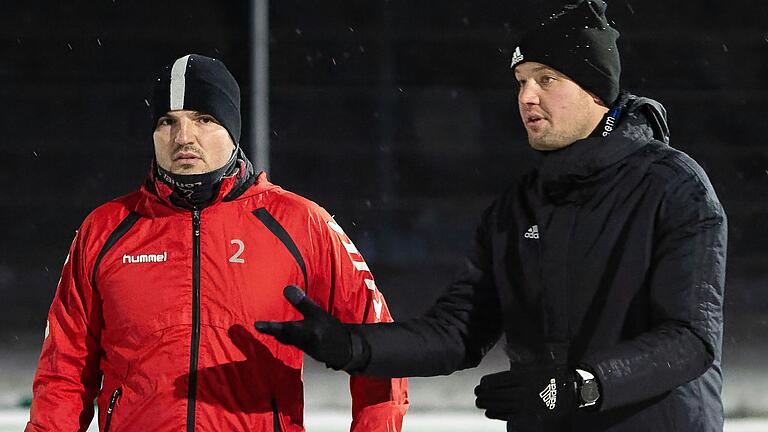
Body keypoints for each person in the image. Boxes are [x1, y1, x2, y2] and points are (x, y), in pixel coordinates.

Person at [255, 1, 727, 431]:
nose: (527, 97)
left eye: (547, 79)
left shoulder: (674, 187)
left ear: (595, 89)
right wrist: (352, 346)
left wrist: (582, 386)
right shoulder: (516, 206)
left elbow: (690, 339)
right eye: (521, 82)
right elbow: (457, 331)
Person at [26, 54, 408, 432]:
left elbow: (378, 349)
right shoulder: (105, 229)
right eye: (167, 122)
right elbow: (64, 373)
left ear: (232, 127)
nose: (183, 137)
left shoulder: (300, 224)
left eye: (203, 119)